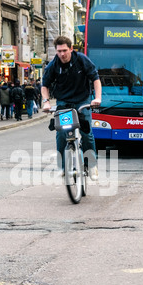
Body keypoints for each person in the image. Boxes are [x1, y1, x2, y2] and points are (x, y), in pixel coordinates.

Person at [41, 35, 102, 180]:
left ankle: (92, 165)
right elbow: (45, 85)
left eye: (64, 50)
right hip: (64, 102)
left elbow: (95, 79)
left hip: (82, 100)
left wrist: (97, 98)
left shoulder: (81, 60)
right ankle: (62, 167)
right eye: (59, 51)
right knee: (61, 134)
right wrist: (46, 102)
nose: (62, 54)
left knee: (87, 133)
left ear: (71, 49)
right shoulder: (53, 65)